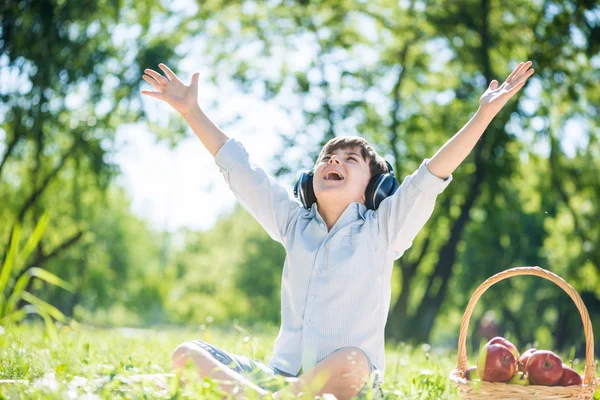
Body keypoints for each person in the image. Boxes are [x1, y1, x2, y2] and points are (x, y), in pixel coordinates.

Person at [141, 61, 534, 399]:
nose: (334, 160)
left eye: (351, 159)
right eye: (328, 157)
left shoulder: (384, 229)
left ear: (375, 189)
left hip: (350, 383)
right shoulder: (293, 222)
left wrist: (482, 115)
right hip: (280, 379)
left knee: (353, 362)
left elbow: (432, 173)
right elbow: (242, 171)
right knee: (186, 353)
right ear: (309, 181)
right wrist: (191, 110)